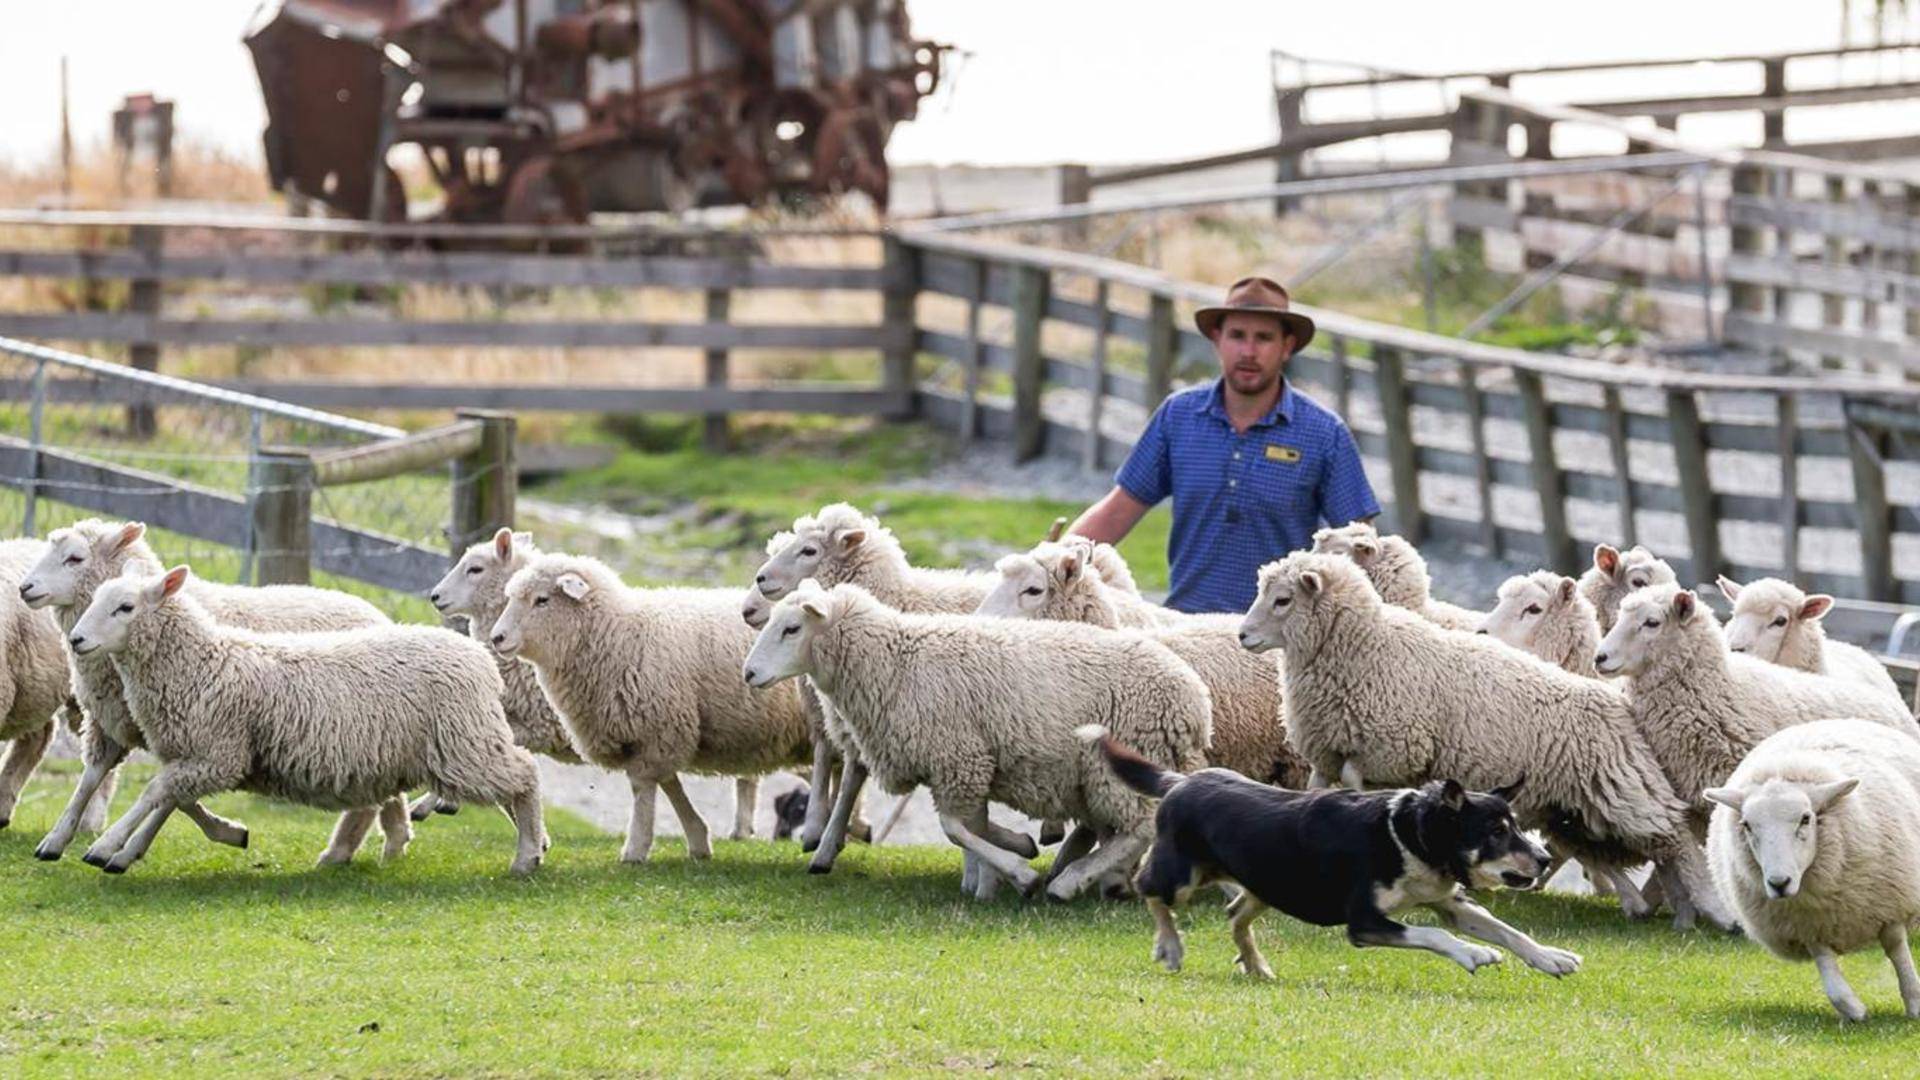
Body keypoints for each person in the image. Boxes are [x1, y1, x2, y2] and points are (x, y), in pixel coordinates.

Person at [1068, 275, 1379, 614]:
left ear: (1287, 346)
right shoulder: (1179, 416)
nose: (1248, 351)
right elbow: (1117, 511)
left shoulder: (1324, 433)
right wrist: (1047, 564)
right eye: (1237, 336)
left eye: (1263, 338)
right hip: (1188, 628)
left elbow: (1361, 546)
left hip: (1279, 638)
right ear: (1217, 339)